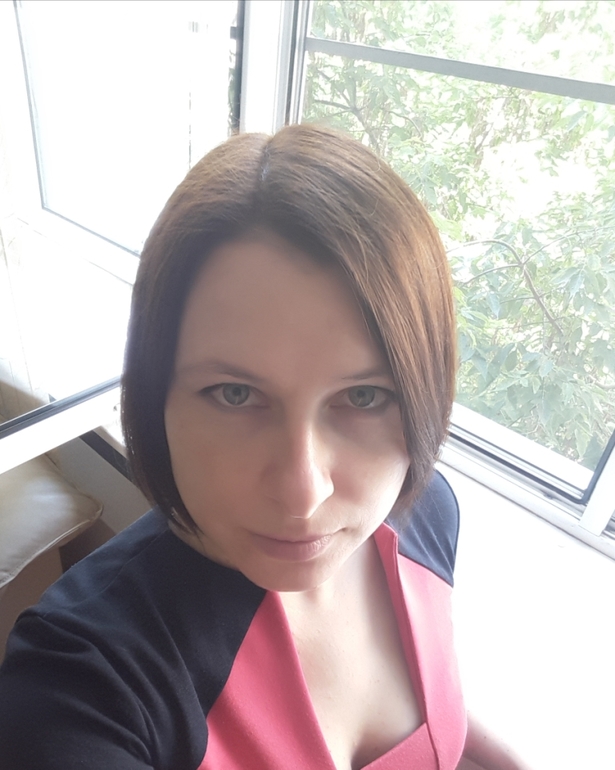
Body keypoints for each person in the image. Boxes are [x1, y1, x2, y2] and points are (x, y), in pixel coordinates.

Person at [0, 125, 529, 769]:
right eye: (235, 394)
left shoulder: (426, 514)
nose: (303, 491)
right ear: (156, 395)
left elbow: (431, 701)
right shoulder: (80, 683)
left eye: (363, 396)